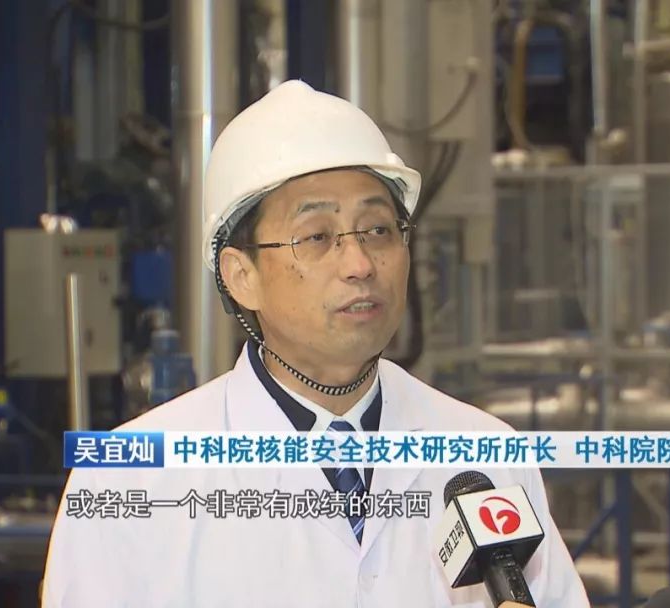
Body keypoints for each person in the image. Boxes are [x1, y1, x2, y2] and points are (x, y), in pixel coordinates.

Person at [41, 80, 591, 607]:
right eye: (317, 237)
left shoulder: (483, 454)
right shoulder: (128, 484)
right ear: (241, 277)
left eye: (378, 230)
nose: (359, 264)